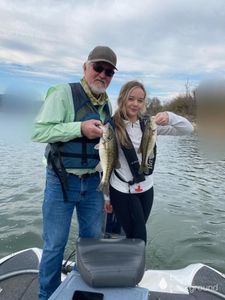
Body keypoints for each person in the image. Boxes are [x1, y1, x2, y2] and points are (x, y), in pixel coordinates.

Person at [31, 46, 117, 300]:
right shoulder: (62, 94)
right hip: (61, 180)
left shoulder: (107, 103)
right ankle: (46, 295)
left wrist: (108, 192)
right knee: (55, 245)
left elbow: (108, 152)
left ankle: (83, 291)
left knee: (90, 243)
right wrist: (79, 128)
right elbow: (38, 132)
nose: (103, 74)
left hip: (93, 183)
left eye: (109, 71)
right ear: (85, 67)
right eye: (98, 68)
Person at [105, 80, 194, 244]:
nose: (135, 104)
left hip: (146, 189)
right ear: (122, 99)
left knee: (134, 234)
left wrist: (170, 116)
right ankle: (133, 266)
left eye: (140, 100)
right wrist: (106, 198)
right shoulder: (110, 127)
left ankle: (129, 263)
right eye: (131, 98)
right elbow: (105, 163)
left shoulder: (149, 124)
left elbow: (188, 129)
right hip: (122, 191)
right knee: (139, 237)